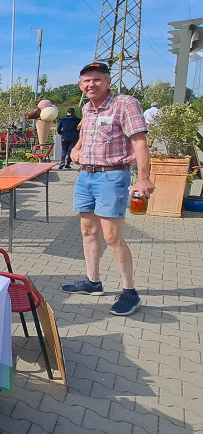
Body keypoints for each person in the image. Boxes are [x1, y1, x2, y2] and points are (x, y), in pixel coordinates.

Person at [60, 62, 155, 316]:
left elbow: (140, 142)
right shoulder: (87, 109)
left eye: (97, 80)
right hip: (85, 177)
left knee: (112, 236)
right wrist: (77, 150)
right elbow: (85, 136)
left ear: (108, 81)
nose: (91, 85)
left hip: (112, 178)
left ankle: (130, 292)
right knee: (88, 230)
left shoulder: (125, 104)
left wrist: (144, 178)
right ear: (81, 85)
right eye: (86, 81)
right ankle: (93, 283)